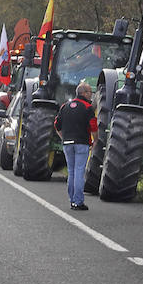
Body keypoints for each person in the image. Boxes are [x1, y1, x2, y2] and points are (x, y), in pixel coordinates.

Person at [54, 80, 98, 211]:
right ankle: (78, 202)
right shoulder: (87, 107)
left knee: (72, 172)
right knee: (79, 172)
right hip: (81, 143)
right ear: (84, 93)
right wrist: (95, 140)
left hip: (67, 144)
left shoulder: (65, 106)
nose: (91, 95)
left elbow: (57, 125)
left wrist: (63, 137)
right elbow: (93, 126)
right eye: (90, 92)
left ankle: (72, 199)